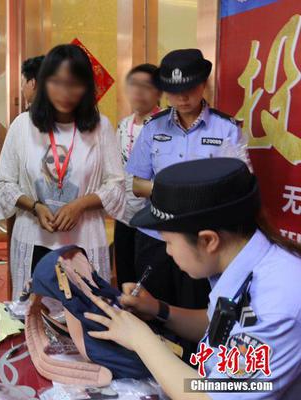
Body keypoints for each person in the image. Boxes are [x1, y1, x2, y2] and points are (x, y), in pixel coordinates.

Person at [85, 158, 301, 399]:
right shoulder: (244, 261)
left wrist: (141, 339)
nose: (168, 251)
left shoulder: (275, 305)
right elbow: (223, 328)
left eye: (168, 241)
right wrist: (159, 310)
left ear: (208, 240)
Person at [126, 49, 250, 328]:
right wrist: (180, 194)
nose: (182, 98)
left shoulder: (226, 129)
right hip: (156, 237)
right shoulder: (153, 128)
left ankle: (192, 358)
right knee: (150, 312)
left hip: (202, 242)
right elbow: (136, 184)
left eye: (190, 89)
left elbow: (237, 187)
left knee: (198, 311)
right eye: (173, 91)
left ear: (203, 84)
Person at [0, 44, 125, 299]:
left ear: (86, 87)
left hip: (83, 243)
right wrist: (35, 207)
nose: (65, 92)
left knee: (85, 312)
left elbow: (116, 185)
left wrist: (80, 205)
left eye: (74, 84)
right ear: (43, 82)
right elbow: (4, 183)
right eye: (56, 82)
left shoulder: (100, 127)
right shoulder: (23, 126)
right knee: (33, 312)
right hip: (34, 241)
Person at [114, 63, 162, 288]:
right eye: (134, 84)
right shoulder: (123, 125)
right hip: (124, 216)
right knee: (125, 279)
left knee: (150, 283)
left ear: (159, 91)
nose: (139, 91)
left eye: (147, 86)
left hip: (154, 220)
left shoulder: (164, 125)